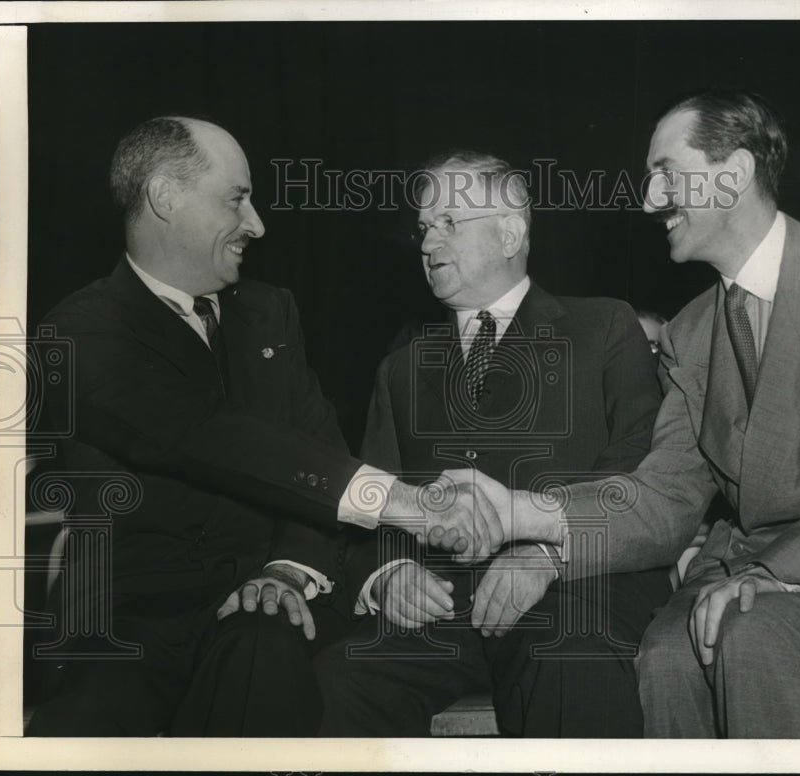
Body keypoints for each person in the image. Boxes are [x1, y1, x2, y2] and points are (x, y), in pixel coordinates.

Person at [467, 90, 800, 737]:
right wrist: (524, 515)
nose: (648, 199)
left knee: (752, 636)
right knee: (664, 659)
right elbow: (666, 496)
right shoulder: (690, 334)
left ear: (735, 175)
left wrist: (783, 572)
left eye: (666, 171)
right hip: (746, 575)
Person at [26, 117, 504, 736]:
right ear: (165, 196)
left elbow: (317, 449)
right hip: (129, 630)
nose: (257, 224)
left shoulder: (269, 313)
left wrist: (287, 570)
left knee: (273, 659)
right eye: (237, 198)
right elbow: (208, 437)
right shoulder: (79, 330)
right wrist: (404, 502)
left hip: (265, 607)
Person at [312, 151, 670, 737]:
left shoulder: (606, 326)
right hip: (441, 609)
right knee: (335, 680)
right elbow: (369, 506)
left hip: (572, 592)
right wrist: (393, 572)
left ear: (510, 233)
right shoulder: (399, 369)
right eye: (425, 227)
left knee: (568, 659)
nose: (428, 244)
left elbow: (641, 472)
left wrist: (548, 554)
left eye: (450, 222)